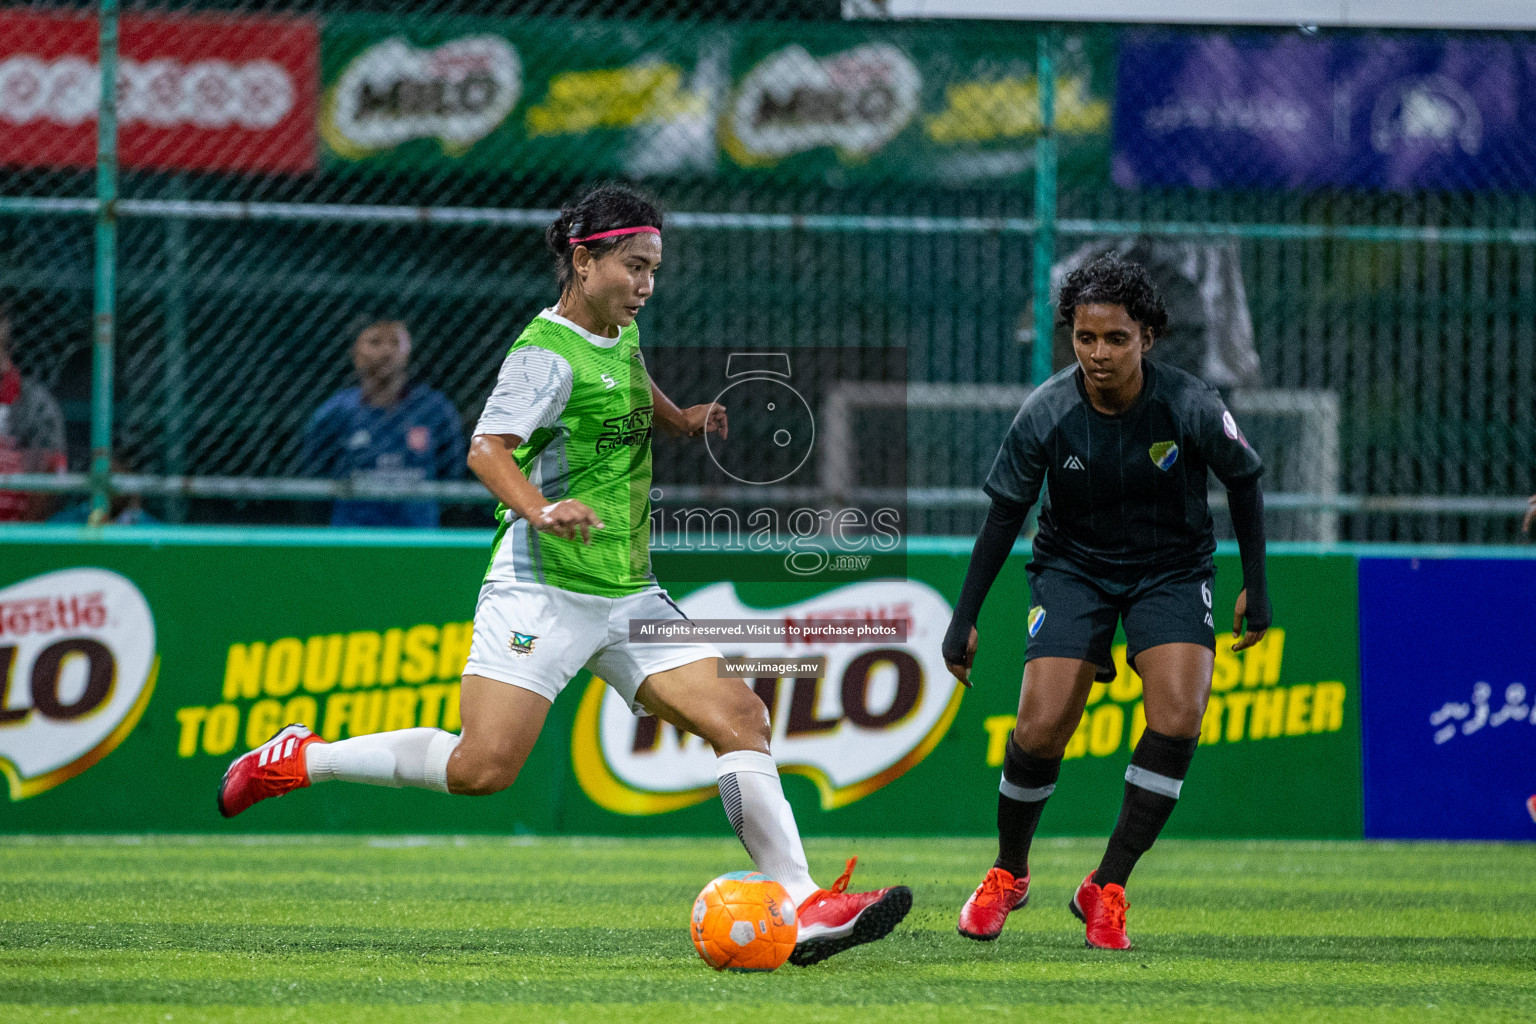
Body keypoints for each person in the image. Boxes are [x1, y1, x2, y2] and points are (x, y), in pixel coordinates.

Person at [217, 184, 912, 966]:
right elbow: (488, 450)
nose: (647, 283)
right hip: (541, 587)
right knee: (481, 769)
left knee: (740, 718)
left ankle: (803, 900)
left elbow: (623, 376)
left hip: (628, 590)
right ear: (583, 261)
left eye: (654, 267)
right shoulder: (542, 354)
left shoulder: (618, 331)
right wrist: (542, 509)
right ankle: (300, 758)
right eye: (632, 266)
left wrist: (677, 417)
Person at [943, 255, 1271, 950]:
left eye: (1116, 339)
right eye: (1085, 338)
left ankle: (1108, 886)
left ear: (1147, 337)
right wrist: (964, 617)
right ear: (1071, 337)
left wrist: (1258, 589)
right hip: (1073, 571)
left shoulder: (1190, 404)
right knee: (1037, 730)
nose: (1098, 353)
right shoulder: (1046, 412)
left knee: (1179, 717)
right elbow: (1004, 516)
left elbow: (1244, 481)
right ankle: (1009, 873)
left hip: (1173, 571)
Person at [300, 320, 465, 528]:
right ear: (356, 354)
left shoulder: (436, 410)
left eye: (395, 343)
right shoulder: (335, 412)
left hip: (418, 535)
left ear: (407, 352)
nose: (386, 352)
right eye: (375, 342)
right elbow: (316, 471)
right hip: (352, 535)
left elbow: (452, 470)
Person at [0, 303, 67, 522]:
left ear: (11, 348)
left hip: (19, 525)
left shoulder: (35, 402)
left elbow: (53, 472)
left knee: (41, 459)